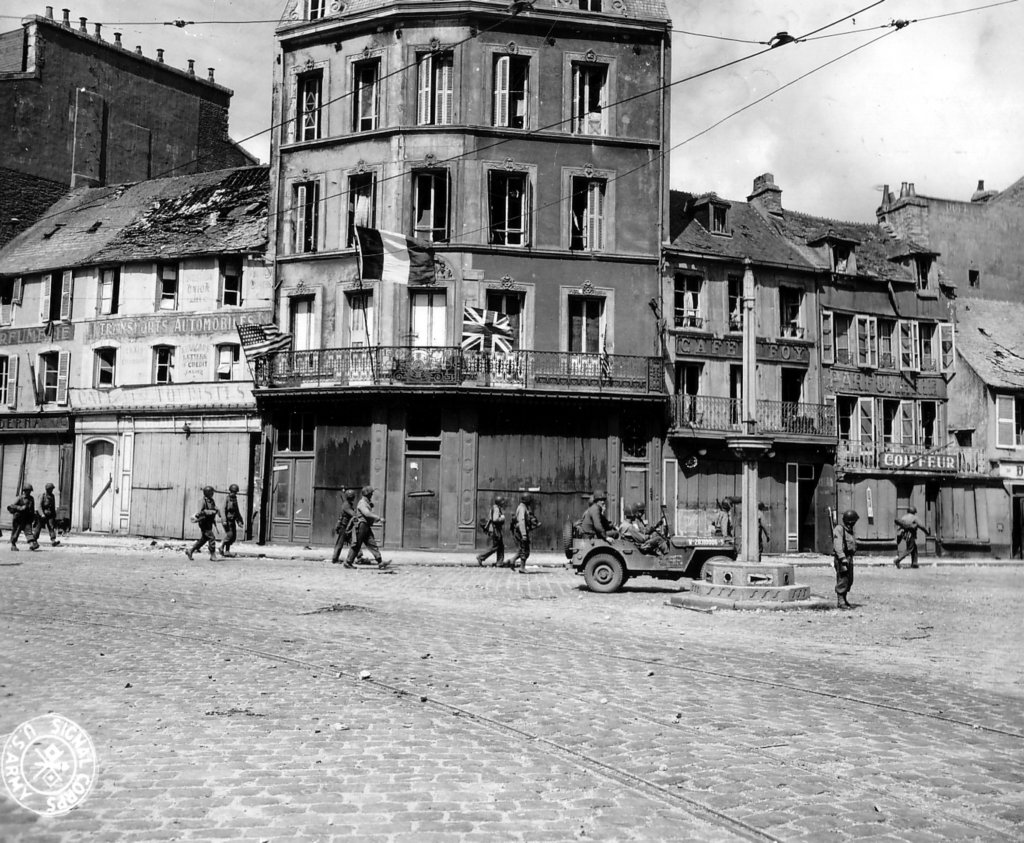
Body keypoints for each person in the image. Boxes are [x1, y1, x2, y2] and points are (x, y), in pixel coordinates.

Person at [345, 486, 389, 569]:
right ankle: (348, 562)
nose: (372, 495)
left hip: (366, 526)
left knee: (372, 543)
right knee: (356, 545)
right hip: (361, 526)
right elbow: (367, 513)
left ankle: (380, 562)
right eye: (371, 493)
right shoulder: (362, 503)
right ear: (367, 494)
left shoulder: (366, 503)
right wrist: (378, 518)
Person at [832, 509, 859, 610]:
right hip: (842, 558)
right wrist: (842, 557)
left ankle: (845, 599)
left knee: (849, 580)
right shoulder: (839, 529)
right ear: (850, 521)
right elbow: (837, 544)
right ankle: (840, 601)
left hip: (849, 557)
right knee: (843, 579)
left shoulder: (849, 530)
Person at [186, 486, 220, 561]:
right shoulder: (202, 501)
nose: (213, 493)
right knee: (211, 537)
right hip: (204, 522)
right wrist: (211, 512)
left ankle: (190, 550)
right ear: (208, 493)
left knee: (204, 539)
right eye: (211, 492)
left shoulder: (211, 500)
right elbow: (200, 512)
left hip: (209, 522)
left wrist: (216, 509)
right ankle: (213, 555)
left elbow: (213, 507)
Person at [508, 492, 539, 574]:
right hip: (521, 532)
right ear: (526, 500)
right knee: (525, 550)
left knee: (523, 549)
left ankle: (513, 560)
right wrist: (524, 535)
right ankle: (522, 567)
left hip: (521, 531)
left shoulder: (524, 507)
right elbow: (522, 522)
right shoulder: (522, 508)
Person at [476, 495, 507, 567]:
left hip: (496, 530)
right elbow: (495, 519)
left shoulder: (496, 508)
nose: (503, 503)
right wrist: (502, 518)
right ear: (499, 502)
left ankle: (499, 562)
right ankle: (481, 557)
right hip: (495, 530)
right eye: (502, 502)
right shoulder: (496, 509)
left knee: (500, 546)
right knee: (495, 547)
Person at [8, 484, 40, 552]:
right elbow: (12, 506)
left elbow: (32, 509)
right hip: (19, 518)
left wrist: (33, 517)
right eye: (28, 491)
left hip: (27, 518)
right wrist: (20, 508)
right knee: (16, 532)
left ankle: (32, 544)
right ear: (24, 491)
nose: (29, 492)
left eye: (30, 491)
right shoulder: (20, 498)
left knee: (29, 532)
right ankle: (13, 545)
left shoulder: (31, 498)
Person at [331, 489, 358, 565]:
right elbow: (353, 514)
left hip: (348, 526)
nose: (353, 497)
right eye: (352, 496)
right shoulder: (346, 505)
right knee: (340, 543)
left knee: (353, 541)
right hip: (344, 526)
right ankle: (335, 558)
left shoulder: (347, 504)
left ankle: (359, 556)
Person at [33, 482, 61, 547]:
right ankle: (34, 540)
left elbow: (53, 506)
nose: (51, 490)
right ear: (47, 489)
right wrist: (42, 514)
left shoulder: (52, 496)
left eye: (52, 489)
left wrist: (54, 515)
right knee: (38, 527)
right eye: (50, 489)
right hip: (42, 515)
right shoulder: (42, 495)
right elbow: (39, 506)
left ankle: (53, 540)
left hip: (49, 514)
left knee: (51, 527)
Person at [221, 484, 244, 557]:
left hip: (232, 520)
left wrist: (239, 521)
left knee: (233, 537)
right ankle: (221, 547)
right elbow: (222, 510)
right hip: (227, 520)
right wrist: (224, 520)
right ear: (230, 491)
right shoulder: (227, 499)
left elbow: (237, 511)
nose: (234, 493)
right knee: (229, 535)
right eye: (233, 492)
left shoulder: (235, 500)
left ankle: (227, 551)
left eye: (235, 492)